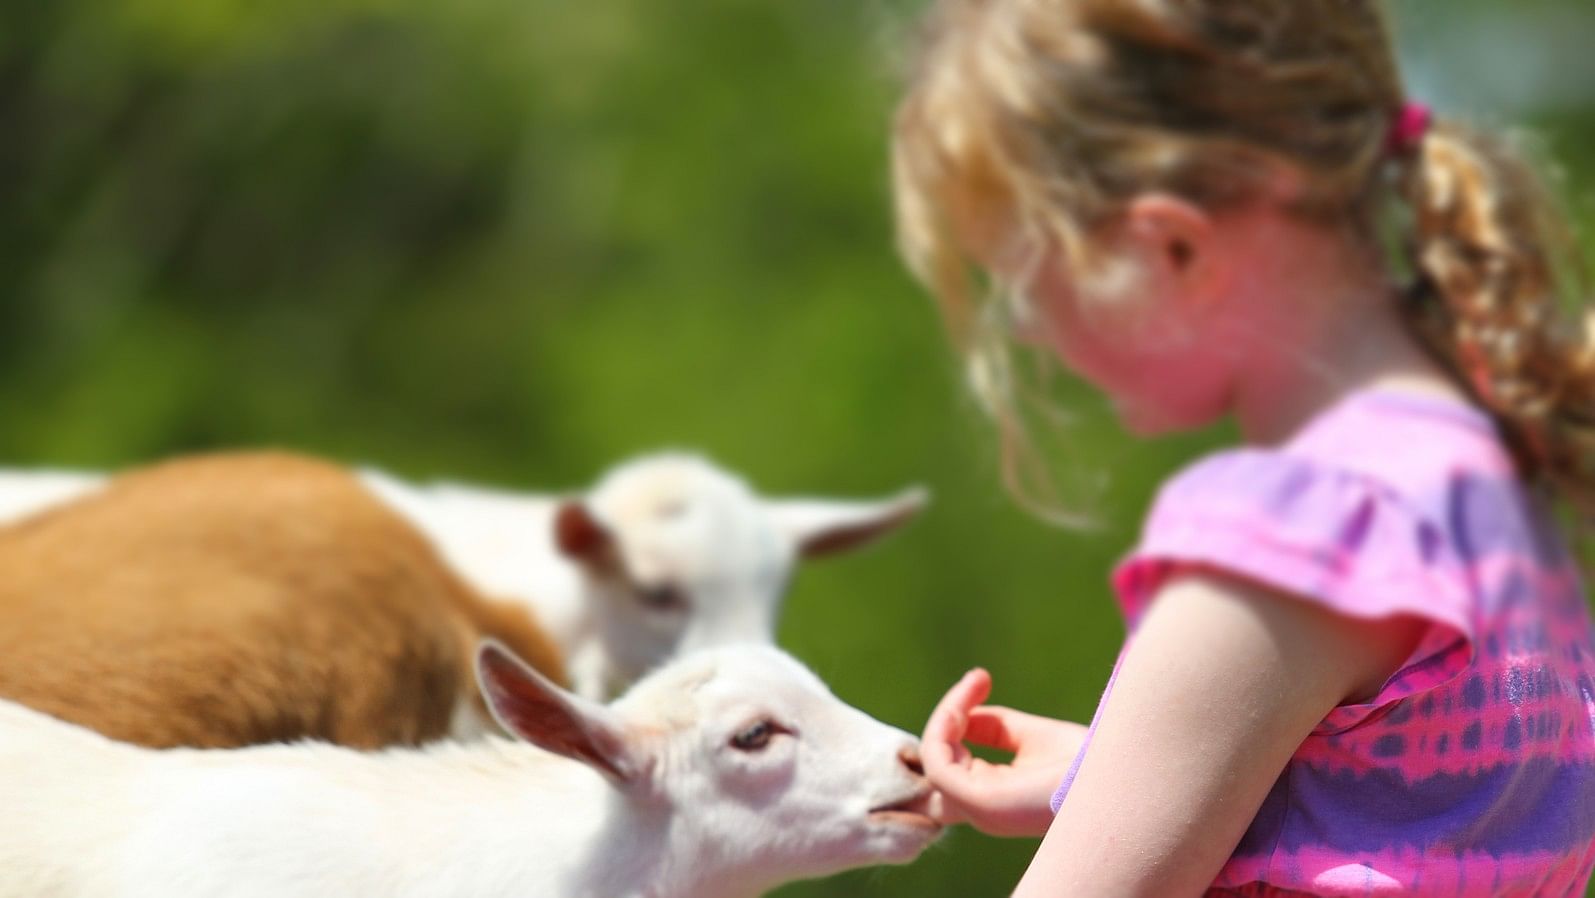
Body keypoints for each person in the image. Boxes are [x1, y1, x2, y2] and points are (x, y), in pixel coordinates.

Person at [890, 2, 1595, 895]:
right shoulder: (1495, 478)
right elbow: (1419, 814)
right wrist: (1111, 782)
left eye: (1023, 277)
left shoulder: (1284, 545)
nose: (1028, 329)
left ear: (1171, 247)